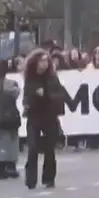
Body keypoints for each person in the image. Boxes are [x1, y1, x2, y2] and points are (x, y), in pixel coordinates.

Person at [23, 49, 66, 189]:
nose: (45, 64)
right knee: (33, 147)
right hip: (34, 115)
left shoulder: (52, 78)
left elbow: (59, 95)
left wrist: (46, 94)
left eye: (46, 61)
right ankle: (31, 178)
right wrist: (34, 97)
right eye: (41, 60)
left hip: (49, 115)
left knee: (49, 148)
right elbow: (27, 97)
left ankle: (49, 178)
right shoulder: (30, 79)